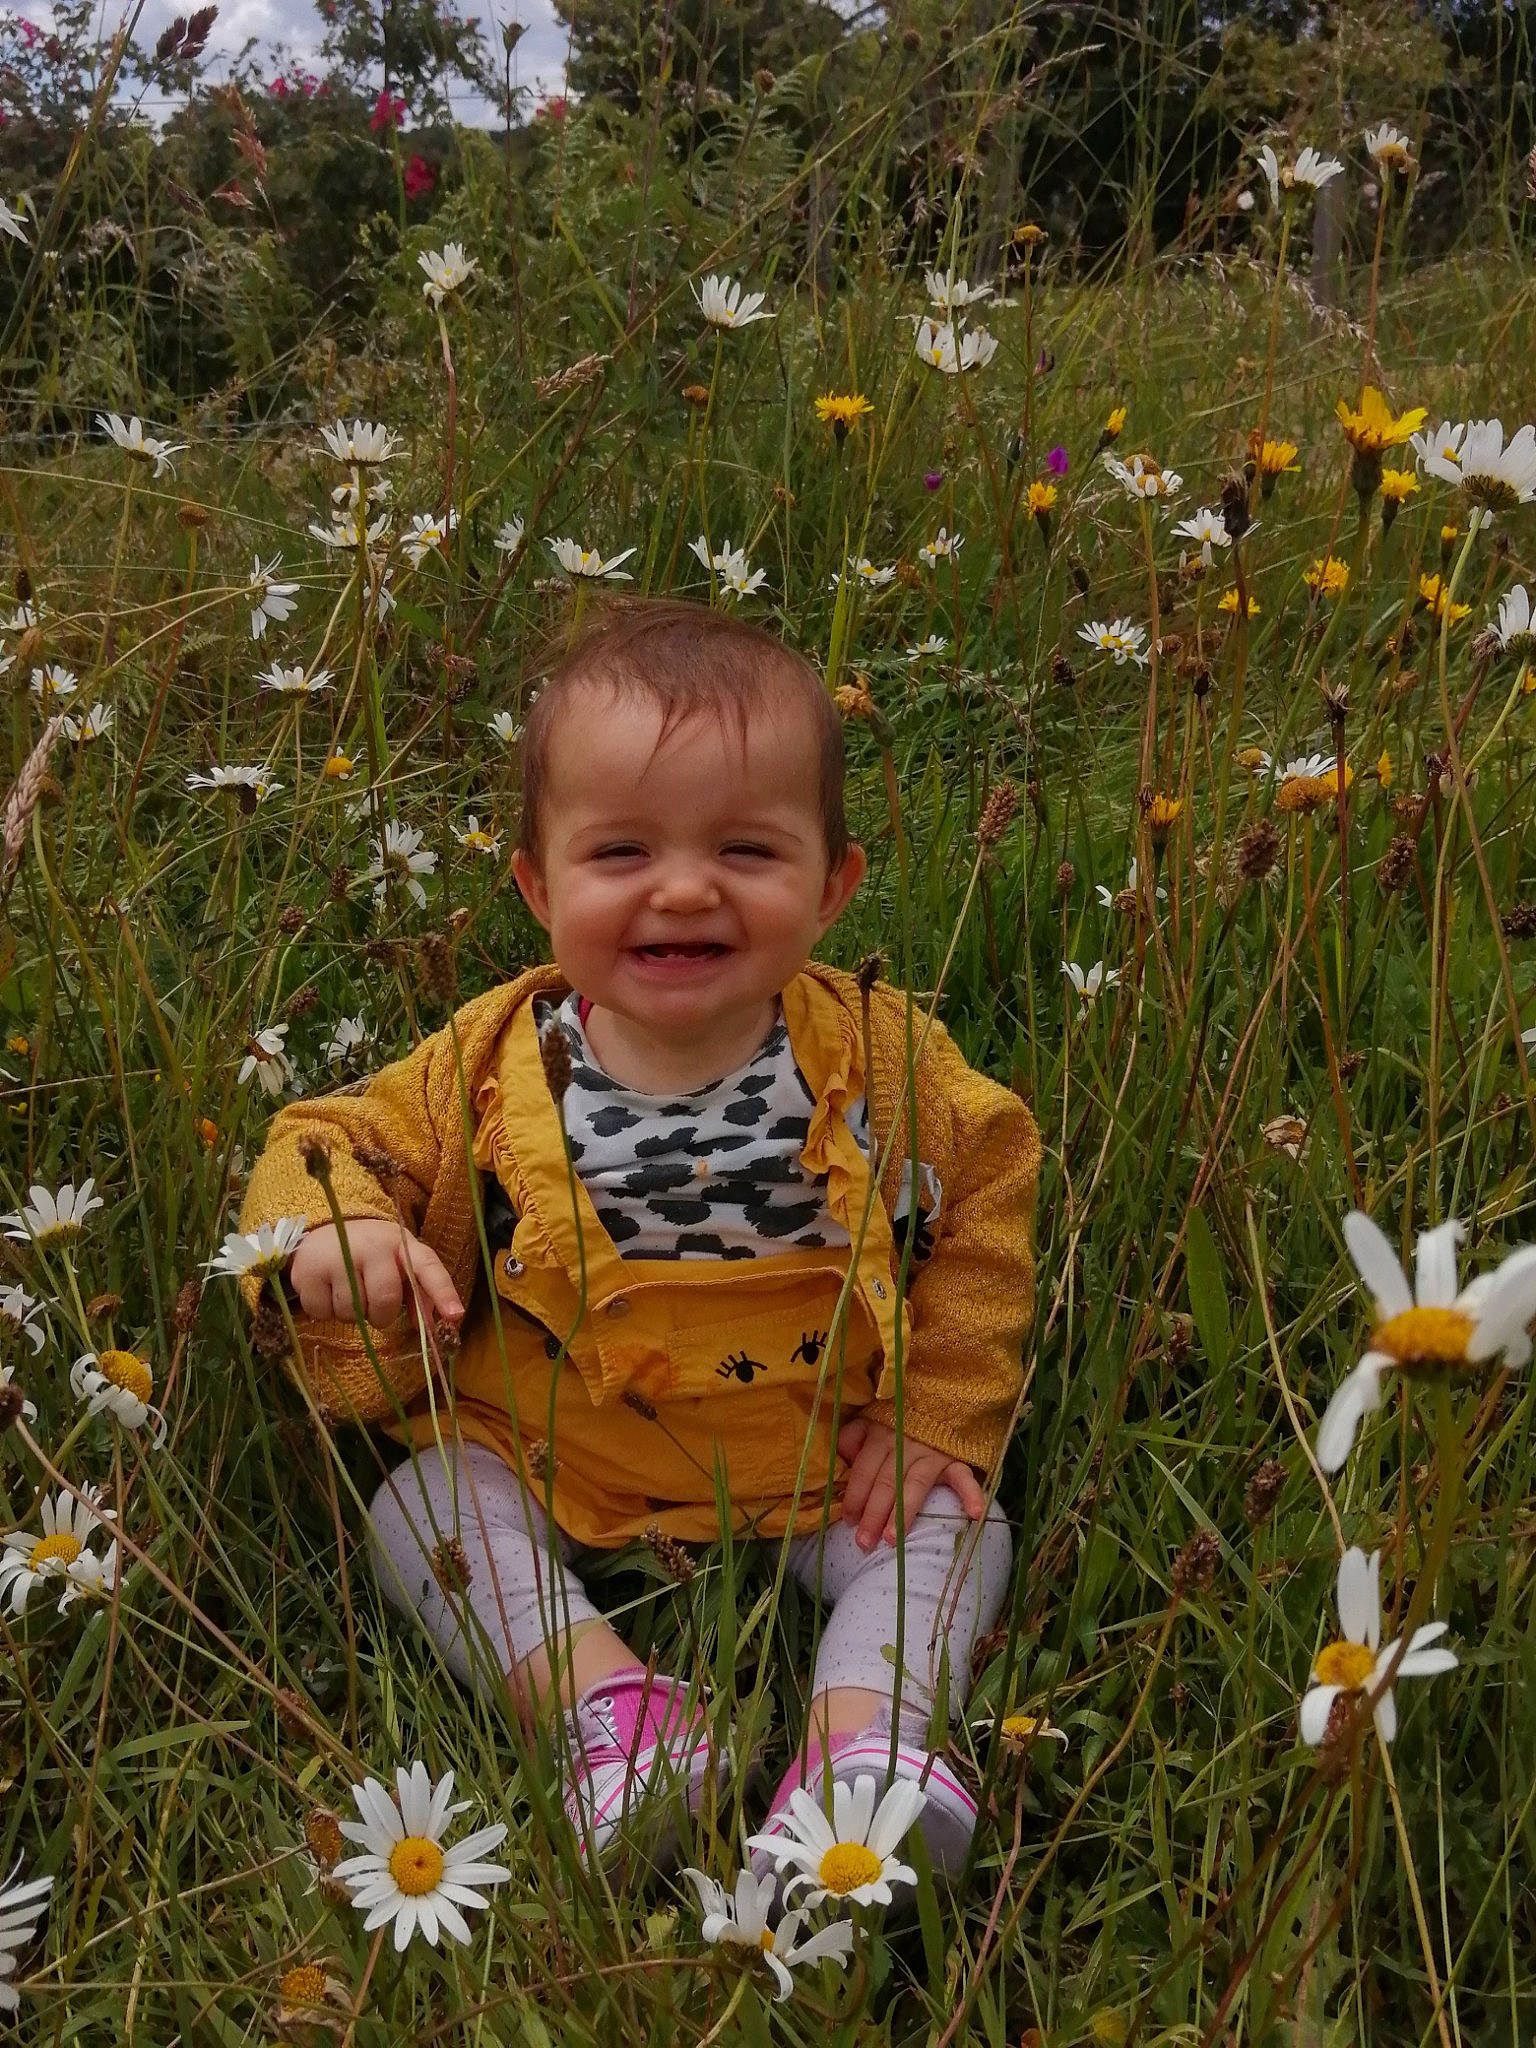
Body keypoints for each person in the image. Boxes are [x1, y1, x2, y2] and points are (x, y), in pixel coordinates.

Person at [239, 598, 1038, 1876]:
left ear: (833, 885)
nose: (683, 886)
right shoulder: (491, 1061)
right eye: (621, 850)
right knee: (422, 1508)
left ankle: (862, 1745)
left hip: (824, 1452)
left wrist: (938, 1406)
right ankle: (614, 1713)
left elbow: (992, 1175)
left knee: (959, 1523)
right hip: (557, 1447)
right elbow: (322, 1134)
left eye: (746, 848)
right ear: (537, 883)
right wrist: (342, 1228)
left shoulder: (883, 1055)